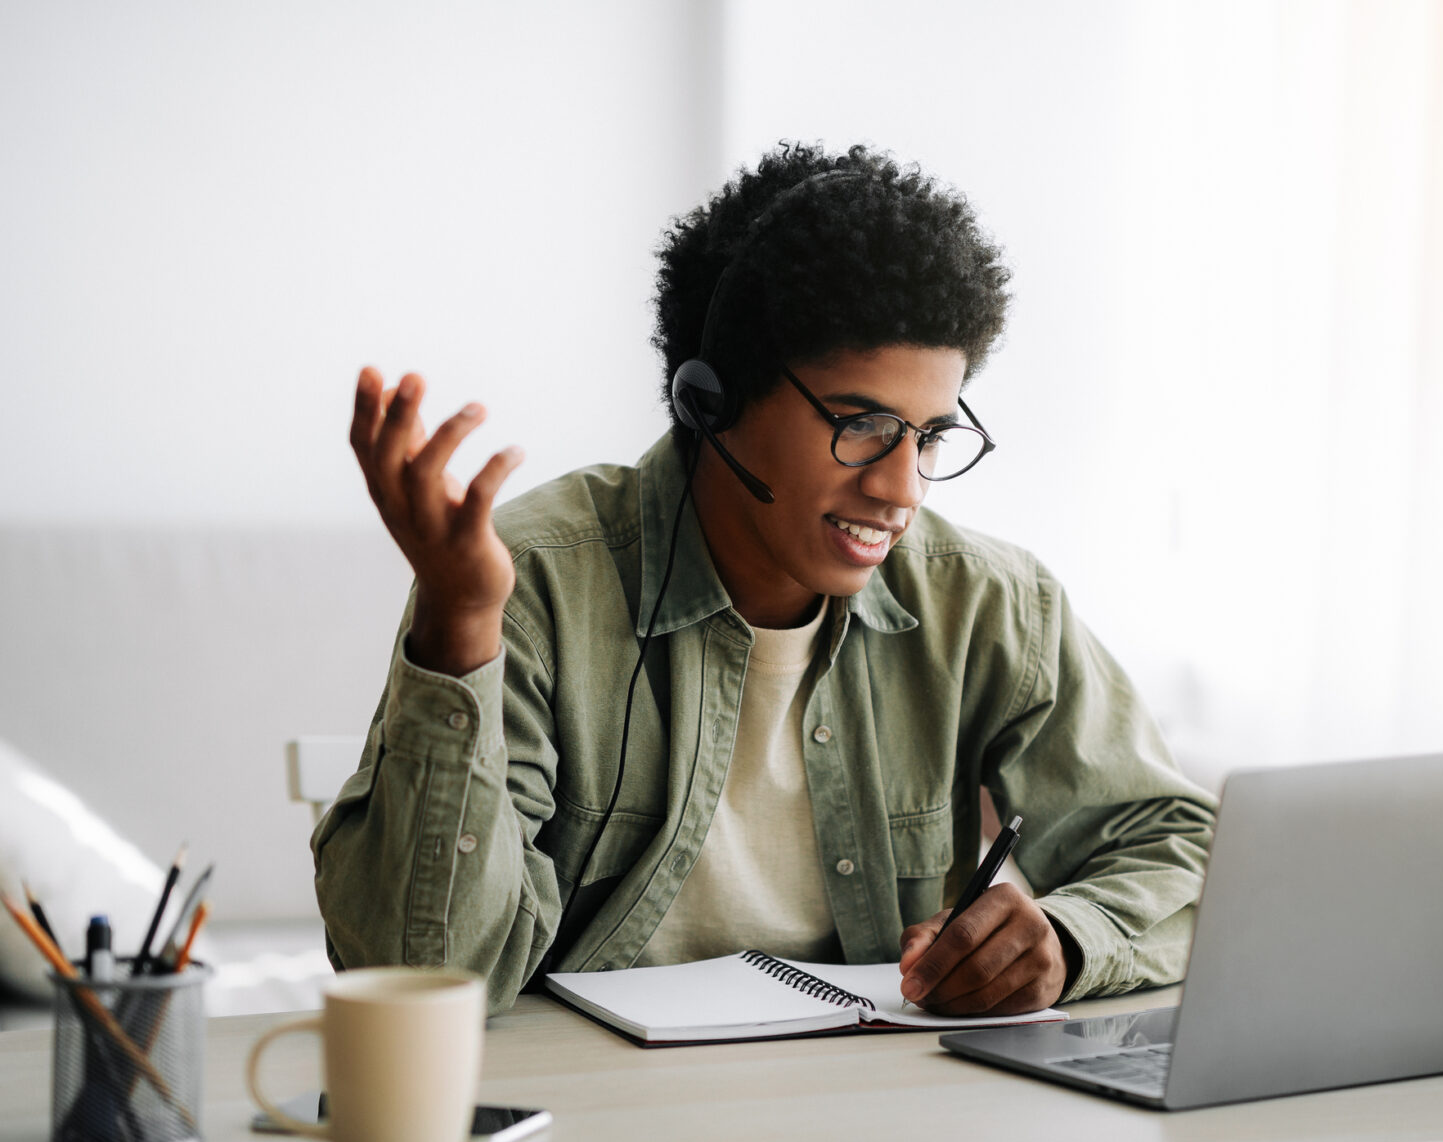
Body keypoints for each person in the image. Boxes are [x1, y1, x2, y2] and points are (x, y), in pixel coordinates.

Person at [313, 142, 1217, 1018]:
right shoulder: (532, 582)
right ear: (714, 401)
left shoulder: (985, 601)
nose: (901, 489)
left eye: (931, 435)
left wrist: (1066, 937)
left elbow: (1182, 845)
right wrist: (461, 622)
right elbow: (423, 974)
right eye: (861, 423)